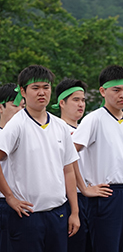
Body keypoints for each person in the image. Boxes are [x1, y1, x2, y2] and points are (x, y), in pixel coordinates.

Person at [0, 65, 80, 251]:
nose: (41, 92)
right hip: (27, 216)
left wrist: (74, 212)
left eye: (46, 87)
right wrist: (10, 198)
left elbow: (68, 170)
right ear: (23, 91)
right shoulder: (16, 125)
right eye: (35, 88)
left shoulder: (60, 126)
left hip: (58, 213)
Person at [72, 65, 123, 252]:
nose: (122, 95)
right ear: (102, 91)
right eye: (116, 90)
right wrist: (84, 188)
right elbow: (69, 154)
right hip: (105, 196)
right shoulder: (93, 119)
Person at [54, 78, 113, 252]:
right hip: (69, 198)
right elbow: (69, 162)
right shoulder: (57, 128)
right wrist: (84, 188)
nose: (81, 104)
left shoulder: (86, 126)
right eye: (75, 100)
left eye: (83, 100)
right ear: (62, 103)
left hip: (91, 199)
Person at [0, 83, 25, 252]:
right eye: (15, 106)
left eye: (23, 106)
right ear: (1, 107)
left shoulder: (26, 132)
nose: (20, 111)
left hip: (23, 205)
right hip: (4, 203)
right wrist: (9, 196)